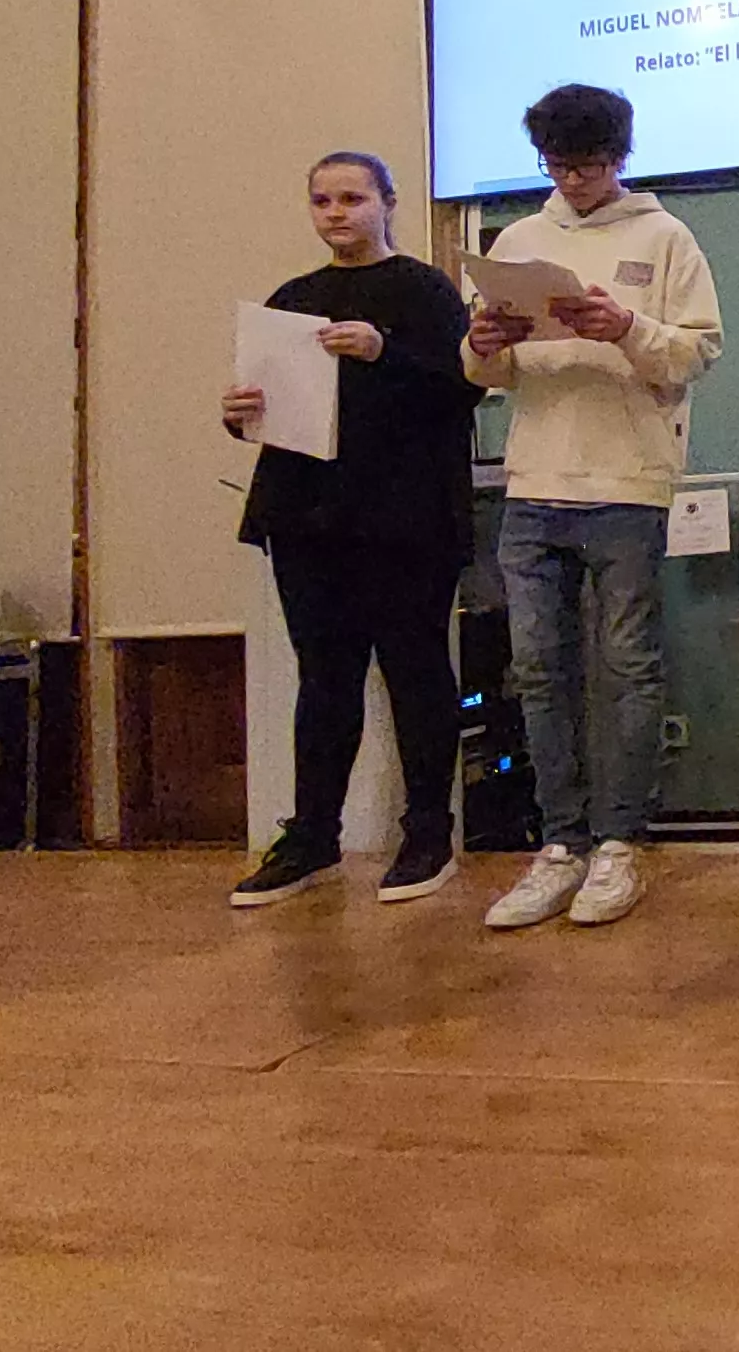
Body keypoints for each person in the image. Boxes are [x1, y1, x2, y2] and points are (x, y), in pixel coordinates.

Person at [468, 85, 724, 930]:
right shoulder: (519, 240)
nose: (571, 180)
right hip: (533, 480)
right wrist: (482, 345)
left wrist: (622, 327)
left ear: (618, 157)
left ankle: (619, 842)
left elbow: (696, 353)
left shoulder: (664, 236)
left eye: (586, 165)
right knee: (537, 668)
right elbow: (491, 375)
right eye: (556, 165)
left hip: (626, 481)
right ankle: (559, 845)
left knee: (627, 666)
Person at [221, 152, 485, 909]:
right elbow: (273, 406)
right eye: (322, 201)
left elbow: (463, 389)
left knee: (414, 670)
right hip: (307, 512)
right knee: (324, 677)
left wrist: (382, 351)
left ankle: (427, 833)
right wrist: (240, 415)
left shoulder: (424, 290)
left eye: (351, 198)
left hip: (405, 515)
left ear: (387, 203)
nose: (336, 213)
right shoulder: (293, 298)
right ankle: (312, 835)